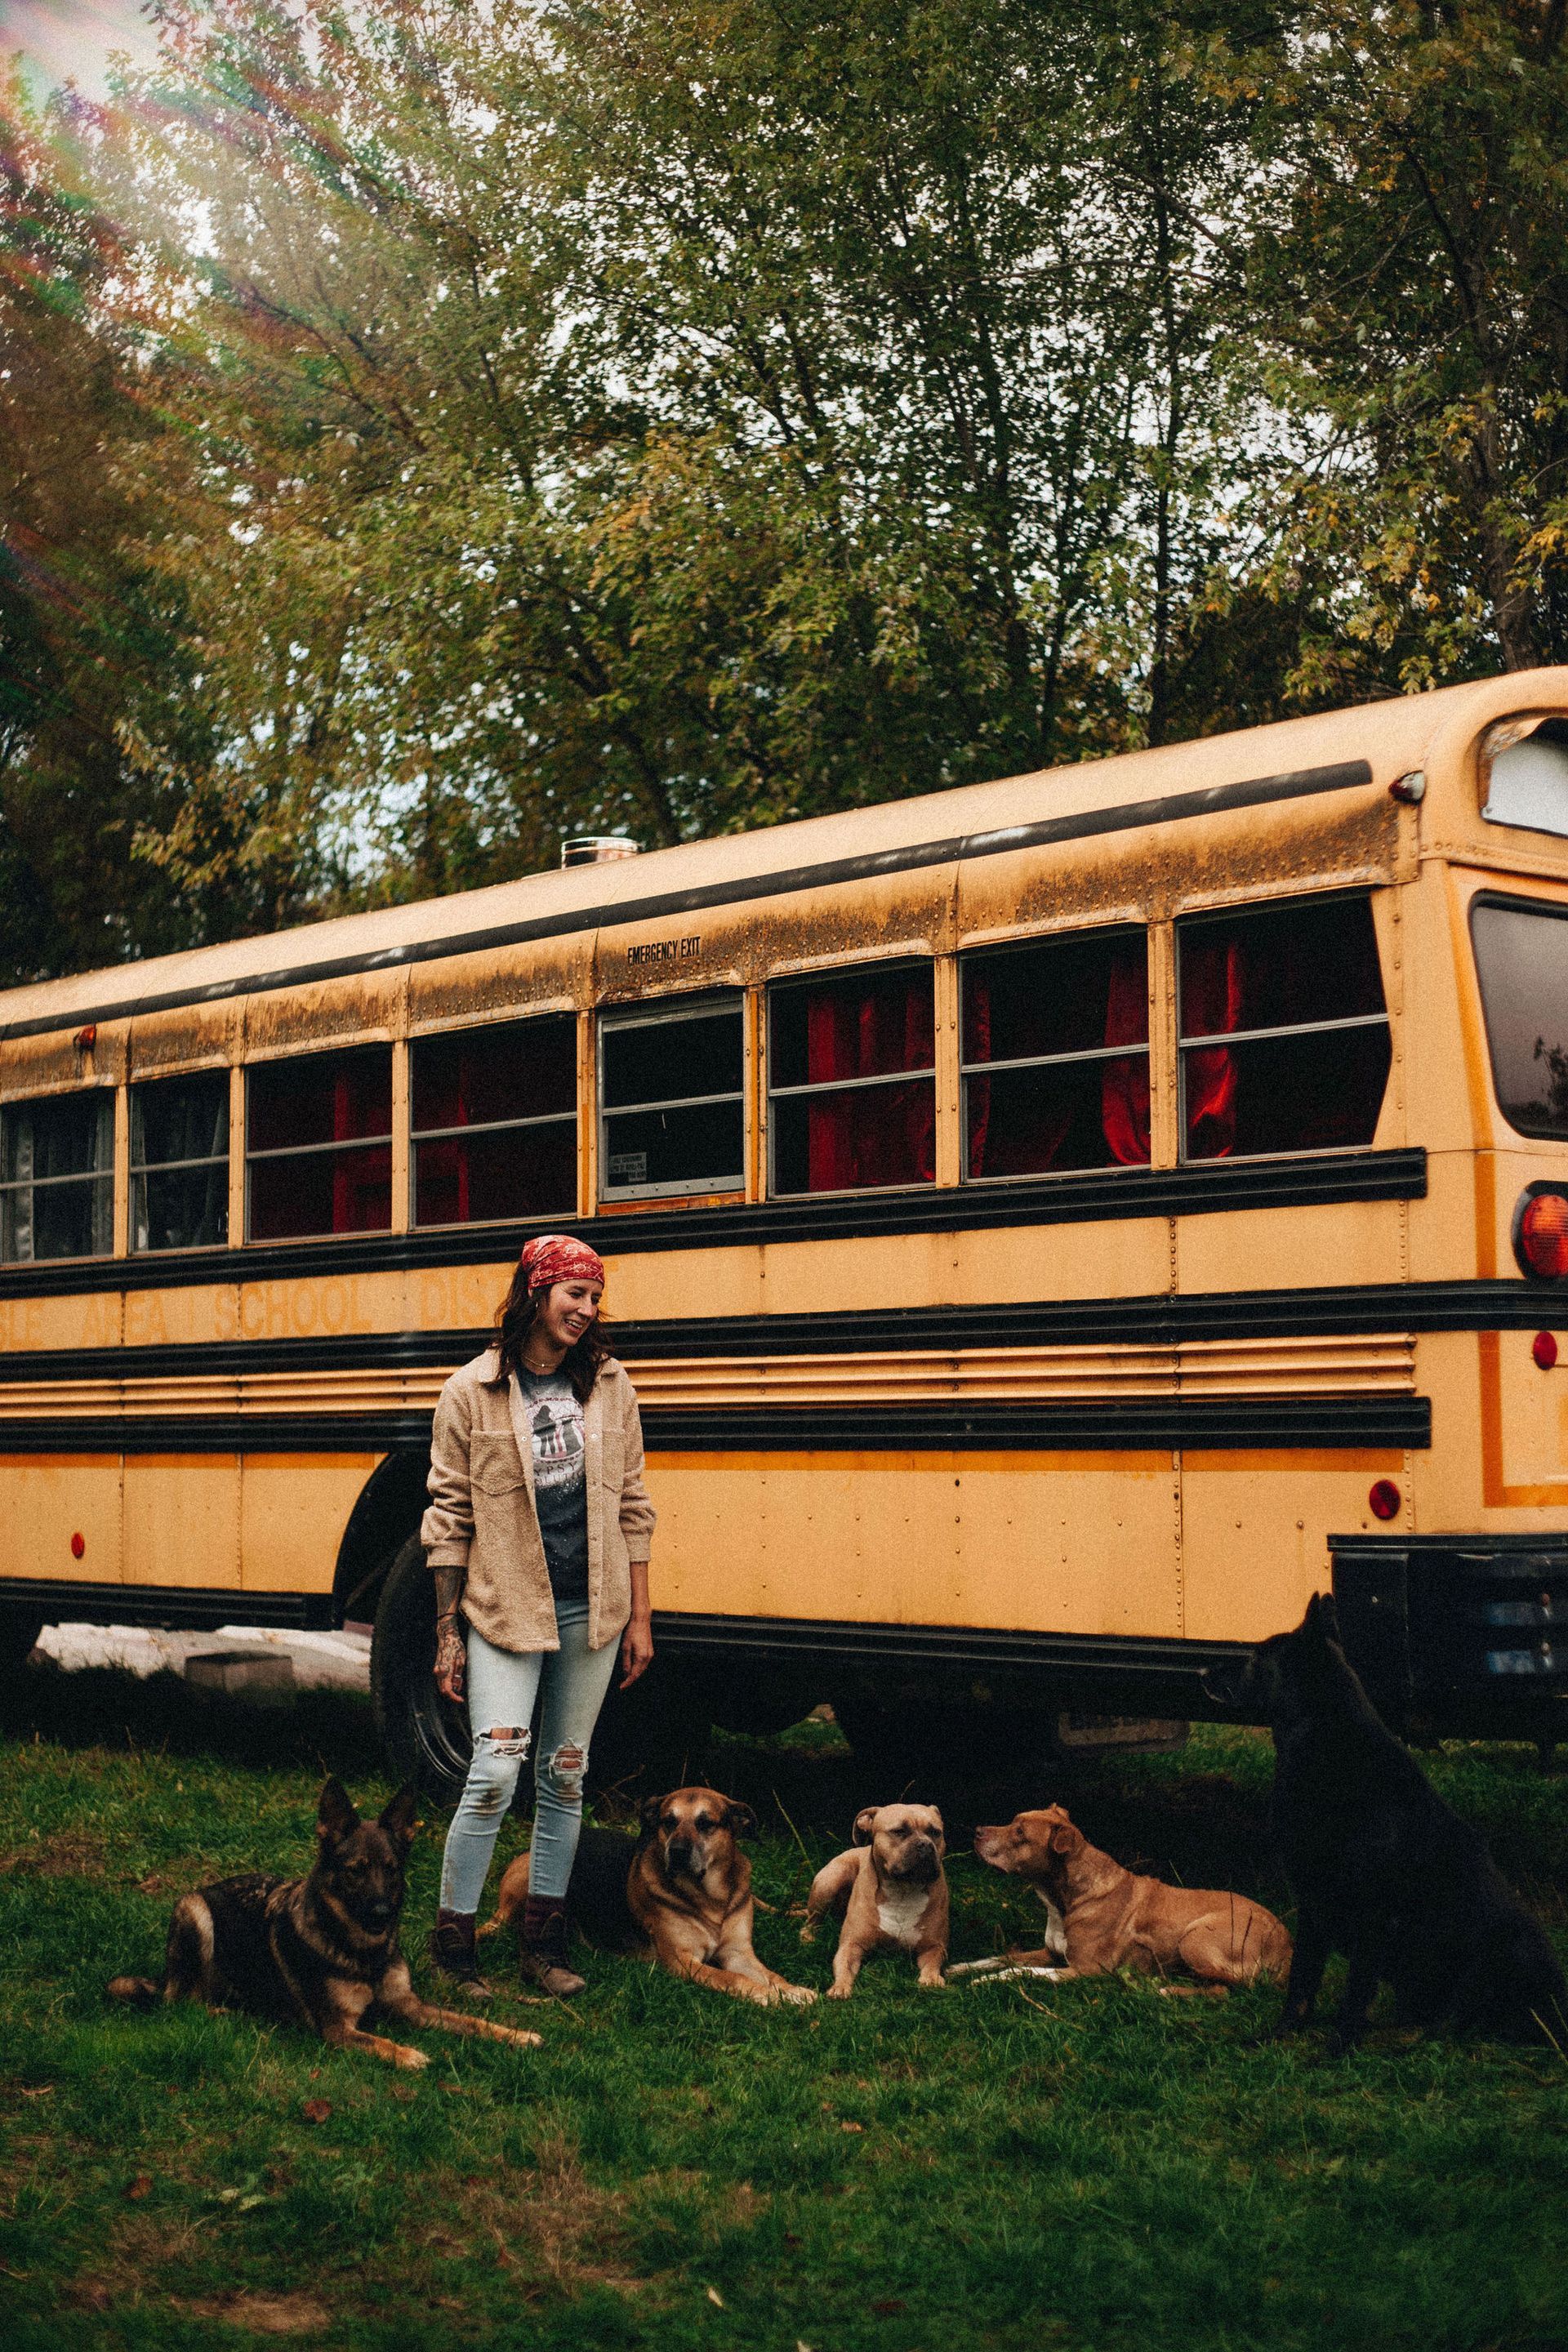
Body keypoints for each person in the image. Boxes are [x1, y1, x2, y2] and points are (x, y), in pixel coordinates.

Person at [421, 1233, 655, 1997]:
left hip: (595, 1610)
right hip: (504, 1611)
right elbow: (449, 1517)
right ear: (534, 1293)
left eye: (595, 1298)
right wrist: (447, 1631)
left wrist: (640, 1619)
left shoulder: (612, 1387)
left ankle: (543, 1949)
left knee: (565, 1776)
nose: (586, 1310)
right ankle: (454, 1949)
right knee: (492, 1773)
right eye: (573, 1295)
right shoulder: (470, 1391)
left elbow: (634, 1508)